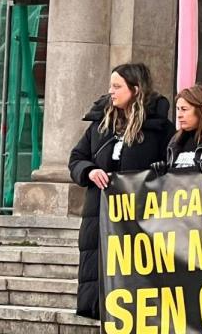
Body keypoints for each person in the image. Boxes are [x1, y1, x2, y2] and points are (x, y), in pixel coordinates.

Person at [68, 63, 174, 320]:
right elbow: (77, 158)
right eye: (111, 86)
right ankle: (95, 307)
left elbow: (172, 165)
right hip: (98, 210)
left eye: (117, 86)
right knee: (97, 260)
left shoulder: (159, 128)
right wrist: (89, 171)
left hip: (138, 213)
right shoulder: (100, 124)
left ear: (135, 90)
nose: (111, 92)